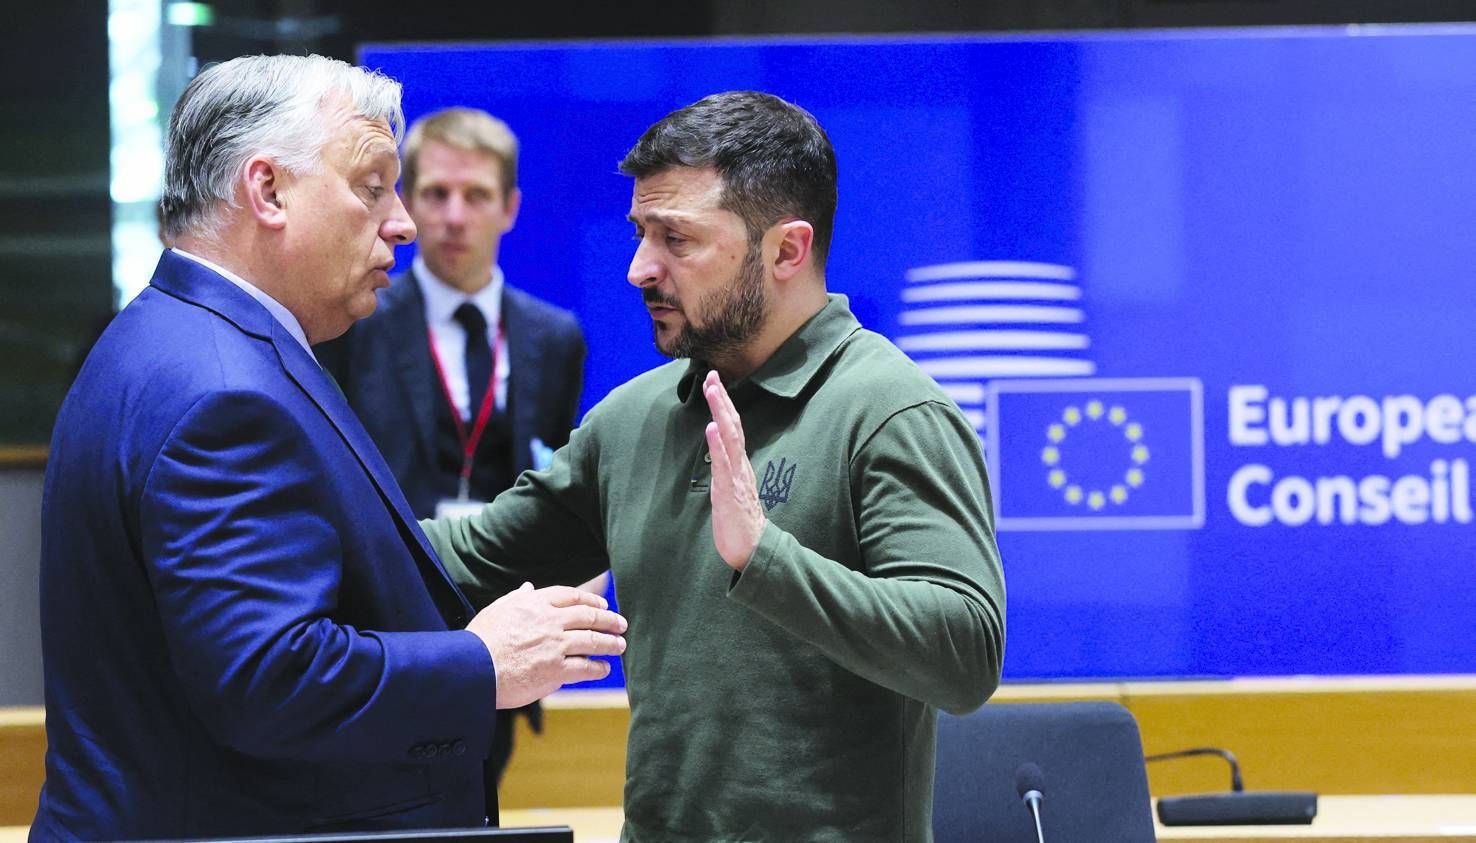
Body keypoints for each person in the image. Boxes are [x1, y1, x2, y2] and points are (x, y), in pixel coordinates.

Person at [32, 54, 625, 840]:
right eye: (372, 185)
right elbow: (269, 678)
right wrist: (483, 661)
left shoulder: (176, 336)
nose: (402, 223)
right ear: (268, 190)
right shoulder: (225, 392)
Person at [422, 91, 1006, 841]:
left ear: (787, 250)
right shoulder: (632, 418)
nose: (639, 268)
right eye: (641, 233)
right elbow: (462, 561)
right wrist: (306, 516)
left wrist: (766, 557)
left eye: (677, 239)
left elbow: (966, 654)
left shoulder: (891, 411)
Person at [317, 107, 593, 787]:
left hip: (502, 617)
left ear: (510, 208)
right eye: (436, 193)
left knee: (480, 799)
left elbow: (554, 479)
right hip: (386, 625)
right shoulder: (357, 323)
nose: (454, 216)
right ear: (408, 203)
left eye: (476, 195)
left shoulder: (554, 337)